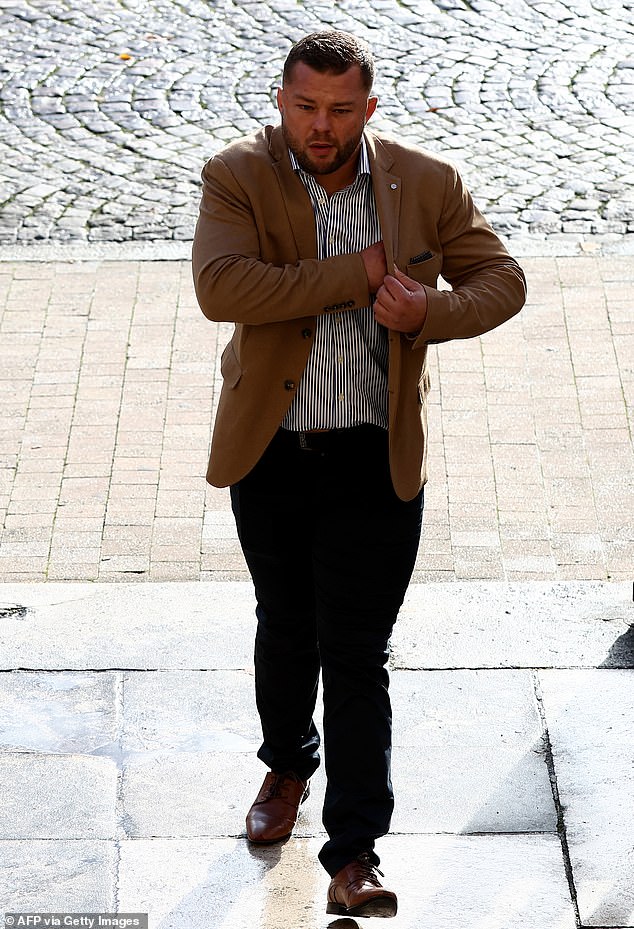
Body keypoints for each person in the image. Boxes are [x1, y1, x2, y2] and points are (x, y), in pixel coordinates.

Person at [192, 30, 526, 918]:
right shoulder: (237, 174)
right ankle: (286, 764)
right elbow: (223, 286)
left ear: (369, 109)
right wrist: (354, 275)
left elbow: (504, 279)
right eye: (306, 106)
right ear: (281, 101)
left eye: (341, 109)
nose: (322, 125)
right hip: (272, 449)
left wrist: (432, 309)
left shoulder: (426, 181)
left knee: (357, 652)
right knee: (286, 627)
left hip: (376, 457)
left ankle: (354, 853)